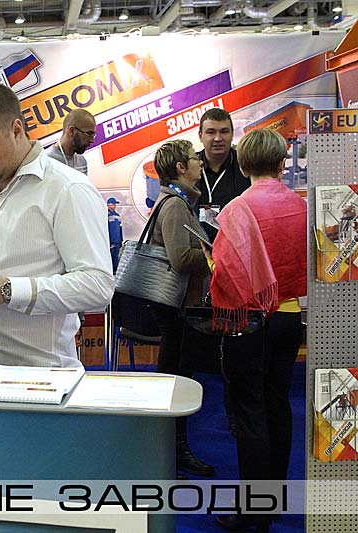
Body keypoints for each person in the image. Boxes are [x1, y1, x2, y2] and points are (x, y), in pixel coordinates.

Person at [0, 81, 114, 368]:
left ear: (16, 130)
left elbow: (97, 286)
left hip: (39, 379)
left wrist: (8, 290)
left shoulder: (67, 189)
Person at [208, 129, 306, 533]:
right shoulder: (301, 206)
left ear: (243, 163)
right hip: (290, 317)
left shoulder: (237, 209)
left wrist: (210, 261)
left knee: (250, 411)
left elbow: (227, 273)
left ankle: (254, 511)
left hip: (249, 321)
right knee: (278, 404)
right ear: (282, 163)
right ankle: (275, 500)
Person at [149, 139, 216, 478]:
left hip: (175, 306)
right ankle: (171, 454)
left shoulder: (176, 201)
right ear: (180, 167)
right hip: (175, 307)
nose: (199, 162)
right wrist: (214, 253)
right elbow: (180, 259)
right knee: (175, 381)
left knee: (175, 379)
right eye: (193, 158)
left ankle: (171, 453)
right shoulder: (176, 205)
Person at [196, 108, 250, 240]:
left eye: (224, 131)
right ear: (200, 135)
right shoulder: (188, 167)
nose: (218, 138)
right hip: (196, 247)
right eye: (211, 132)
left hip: (237, 245)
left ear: (232, 134)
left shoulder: (247, 165)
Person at [44, 108, 97, 174]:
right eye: (89, 133)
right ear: (72, 131)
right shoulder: (46, 161)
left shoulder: (82, 161)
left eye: (93, 135)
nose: (92, 140)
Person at [106, 197, 123, 272]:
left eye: (115, 204)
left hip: (117, 241)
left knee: (116, 257)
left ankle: (115, 272)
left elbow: (120, 228)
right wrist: (108, 241)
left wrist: (121, 240)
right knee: (110, 258)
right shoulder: (105, 215)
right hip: (110, 241)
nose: (115, 206)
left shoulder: (117, 215)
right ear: (108, 204)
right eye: (113, 204)